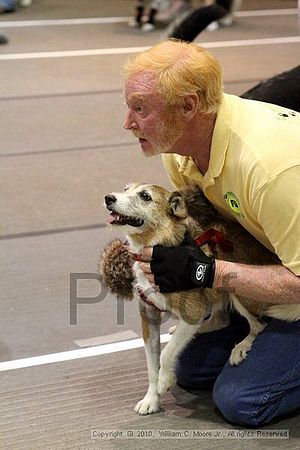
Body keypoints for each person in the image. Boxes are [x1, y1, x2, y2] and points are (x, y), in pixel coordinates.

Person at [122, 40, 300, 427]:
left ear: (188, 106)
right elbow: (215, 230)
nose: (128, 123)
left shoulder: (273, 170)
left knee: (242, 400)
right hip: (279, 259)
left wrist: (205, 273)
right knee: (192, 370)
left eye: (140, 108)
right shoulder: (179, 148)